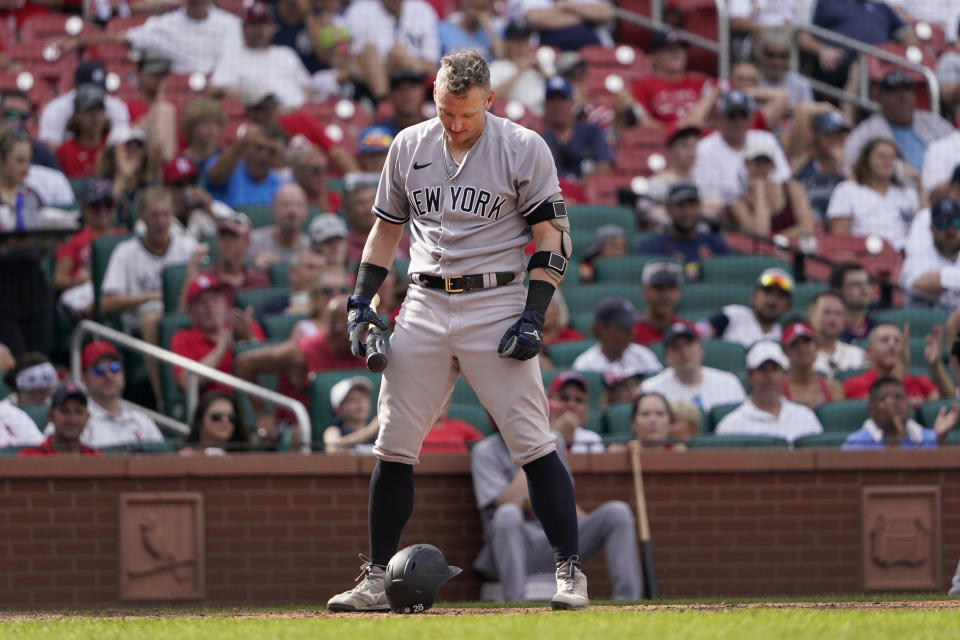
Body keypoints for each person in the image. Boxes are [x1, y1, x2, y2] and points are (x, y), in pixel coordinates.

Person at [327, 51, 590, 612]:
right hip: (422, 300)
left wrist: (533, 313)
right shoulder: (409, 144)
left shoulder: (523, 147)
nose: (454, 123)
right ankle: (375, 578)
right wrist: (360, 301)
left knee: (533, 442)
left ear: (489, 101)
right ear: (435, 96)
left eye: (466, 113)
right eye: (446, 110)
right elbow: (383, 234)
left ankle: (569, 571)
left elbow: (552, 238)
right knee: (393, 443)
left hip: (495, 298)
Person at [470, 431, 639, 603]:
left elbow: (562, 499)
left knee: (617, 512)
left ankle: (627, 601)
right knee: (508, 513)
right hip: (513, 547)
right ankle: (515, 604)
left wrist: (588, 528)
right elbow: (506, 502)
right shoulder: (485, 450)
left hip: (557, 545)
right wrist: (533, 455)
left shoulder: (554, 440)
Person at [234, 296, 365, 420]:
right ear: (340, 329)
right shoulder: (299, 353)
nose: (366, 335)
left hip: (352, 428)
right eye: (361, 329)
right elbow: (244, 363)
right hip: (303, 431)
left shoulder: (365, 352)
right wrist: (262, 415)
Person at [56, 0, 243, 76]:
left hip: (220, 87)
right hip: (178, 88)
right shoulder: (167, 24)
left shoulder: (230, 24)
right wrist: (78, 41)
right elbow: (123, 36)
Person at [691, 90, 791, 214]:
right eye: (732, 116)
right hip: (726, 215)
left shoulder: (766, 139)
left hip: (769, 207)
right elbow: (708, 195)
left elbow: (783, 179)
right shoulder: (705, 147)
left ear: (751, 117)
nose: (738, 122)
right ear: (720, 118)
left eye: (743, 115)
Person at [170, 273, 265, 394]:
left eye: (214, 298)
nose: (210, 307)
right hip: (215, 400)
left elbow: (269, 374)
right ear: (190, 312)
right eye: (201, 302)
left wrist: (249, 339)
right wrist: (222, 347)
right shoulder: (182, 338)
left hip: (252, 396)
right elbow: (187, 383)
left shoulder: (245, 325)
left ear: (225, 302)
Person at [210, 2, 313, 110]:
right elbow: (214, 90)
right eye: (255, 24)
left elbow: (308, 89)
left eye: (265, 24)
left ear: (272, 27)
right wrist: (247, 97)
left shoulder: (286, 53)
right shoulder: (233, 56)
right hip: (261, 117)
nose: (260, 30)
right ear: (244, 27)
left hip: (297, 114)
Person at [843, 71, 953, 172]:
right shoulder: (867, 132)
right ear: (880, 98)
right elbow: (849, 164)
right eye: (893, 91)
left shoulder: (933, 122)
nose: (902, 96)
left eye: (907, 90)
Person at [715, 341, 823, 444]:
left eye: (775, 369)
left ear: (784, 375)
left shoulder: (805, 417)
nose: (769, 377)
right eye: (762, 370)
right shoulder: (731, 425)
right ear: (750, 377)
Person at [826, 137, 919, 251]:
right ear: (867, 160)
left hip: (905, 256)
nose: (888, 162)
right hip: (865, 255)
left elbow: (926, 228)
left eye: (892, 158)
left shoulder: (909, 193)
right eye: (881, 157)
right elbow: (839, 237)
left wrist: (920, 185)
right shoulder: (847, 190)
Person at [72, 341, 163, 449]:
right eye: (99, 370)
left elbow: (164, 460)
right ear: (84, 378)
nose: (108, 375)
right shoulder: (73, 421)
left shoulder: (142, 420)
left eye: (114, 367)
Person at [54, 179, 125, 317]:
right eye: (96, 206)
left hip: (118, 291)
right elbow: (58, 279)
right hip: (86, 292)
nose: (103, 210)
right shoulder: (74, 239)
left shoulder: (123, 236)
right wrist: (79, 281)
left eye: (108, 205)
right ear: (85, 208)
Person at [343, 0, 440, 100]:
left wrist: (400, 58)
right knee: (370, 52)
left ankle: (384, 103)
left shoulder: (421, 9)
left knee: (397, 53)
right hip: (368, 81)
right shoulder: (359, 10)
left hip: (412, 75)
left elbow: (431, 64)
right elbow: (352, 63)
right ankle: (383, 101)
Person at [634, 182, 731, 282]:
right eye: (680, 206)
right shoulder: (652, 247)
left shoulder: (715, 244)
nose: (687, 212)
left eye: (692, 205)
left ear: (699, 207)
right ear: (668, 208)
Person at [642, 322, 746, 414]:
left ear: (701, 348)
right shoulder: (651, 389)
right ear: (666, 357)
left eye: (689, 344)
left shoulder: (729, 382)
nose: (684, 351)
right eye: (676, 347)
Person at [842, 323, 953, 404]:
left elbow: (949, 402)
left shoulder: (919, 381)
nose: (892, 344)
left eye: (897, 340)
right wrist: (901, 365)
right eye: (884, 340)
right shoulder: (853, 385)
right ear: (868, 353)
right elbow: (881, 406)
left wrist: (936, 366)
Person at [730, 137, 815, 240]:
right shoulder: (738, 203)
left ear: (773, 165)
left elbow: (807, 227)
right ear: (747, 163)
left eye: (766, 162)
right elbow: (760, 233)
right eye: (757, 162)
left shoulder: (792, 189)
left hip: (791, 250)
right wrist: (760, 193)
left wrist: (778, 239)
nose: (761, 167)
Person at [843, 376, 959, 450]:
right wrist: (894, 439)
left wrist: (941, 440)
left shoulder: (928, 437)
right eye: (884, 398)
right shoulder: (856, 442)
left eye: (898, 397)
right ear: (871, 410)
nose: (892, 403)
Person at [37, 60, 131, 150]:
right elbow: (49, 149)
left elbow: (122, 147)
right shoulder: (56, 108)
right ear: (75, 85)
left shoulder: (117, 107)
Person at [539, 76, 614, 180]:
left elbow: (605, 164)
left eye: (563, 100)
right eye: (553, 100)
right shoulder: (539, 139)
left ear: (572, 103)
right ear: (545, 106)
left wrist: (581, 185)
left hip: (585, 192)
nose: (558, 105)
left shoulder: (591, 131)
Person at [698, 267, 793, 348]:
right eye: (768, 292)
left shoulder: (786, 337)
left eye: (781, 295)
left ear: (787, 306)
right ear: (753, 297)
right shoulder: (732, 316)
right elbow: (698, 334)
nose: (772, 300)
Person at [204, 122, 290, 209]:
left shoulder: (278, 185)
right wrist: (241, 144)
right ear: (246, 147)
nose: (263, 156)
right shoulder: (229, 167)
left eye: (272, 152)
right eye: (258, 147)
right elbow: (214, 176)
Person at [572, 298, 662, 380]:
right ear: (602, 329)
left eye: (631, 327)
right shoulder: (585, 366)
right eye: (623, 328)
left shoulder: (644, 355)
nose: (631, 333)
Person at [195, 213, 270, 309]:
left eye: (233, 237)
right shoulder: (205, 280)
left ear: (247, 242)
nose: (227, 242)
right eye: (223, 237)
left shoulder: (259, 280)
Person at [901, 197, 960, 310]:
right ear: (932, 229)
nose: (950, 230)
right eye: (943, 224)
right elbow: (916, 284)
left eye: (956, 223)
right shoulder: (920, 252)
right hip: (927, 323)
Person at [792, 110, 850, 223]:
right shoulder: (803, 159)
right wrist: (827, 107)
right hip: (806, 228)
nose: (835, 141)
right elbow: (803, 110)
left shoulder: (847, 168)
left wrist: (844, 164)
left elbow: (860, 196)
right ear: (815, 135)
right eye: (829, 135)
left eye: (839, 135)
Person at [639, 124, 701, 228]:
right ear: (671, 149)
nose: (691, 151)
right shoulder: (657, 182)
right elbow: (645, 209)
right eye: (684, 145)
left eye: (694, 145)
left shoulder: (702, 180)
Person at [19, 382, 102, 457]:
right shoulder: (30, 457)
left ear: (87, 417)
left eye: (78, 412)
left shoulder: (96, 458)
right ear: (50, 416)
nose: (72, 419)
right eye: (65, 411)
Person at [245, 184, 311, 270]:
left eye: (299, 205)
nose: (292, 211)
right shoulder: (252, 242)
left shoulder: (311, 247)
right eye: (286, 205)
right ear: (274, 210)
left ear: (307, 212)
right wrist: (254, 267)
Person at [489, 22, 547, 116]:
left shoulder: (538, 66)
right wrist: (519, 72)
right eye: (519, 40)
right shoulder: (498, 67)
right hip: (513, 121)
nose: (524, 44)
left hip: (540, 122)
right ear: (509, 43)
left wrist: (543, 74)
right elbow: (489, 98)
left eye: (526, 39)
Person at [507, 0, 613, 51]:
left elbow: (606, 13)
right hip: (547, 50)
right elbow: (535, 20)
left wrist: (569, 5)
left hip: (594, 48)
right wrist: (586, 17)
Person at [781, 322, 843, 409]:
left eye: (806, 341)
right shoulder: (778, 390)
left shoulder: (832, 388)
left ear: (817, 347)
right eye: (795, 344)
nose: (801, 348)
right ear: (785, 352)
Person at [631, 261, 694, 346]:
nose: (665, 294)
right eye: (658, 287)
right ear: (644, 291)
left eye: (671, 287)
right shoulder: (630, 333)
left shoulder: (689, 331)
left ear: (679, 292)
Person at [808, 291, 867, 378]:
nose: (832, 319)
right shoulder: (798, 355)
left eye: (838, 313)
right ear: (810, 317)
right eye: (826, 312)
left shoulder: (858, 354)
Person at [256, 247, 327, 319]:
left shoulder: (332, 303)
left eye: (321, 268)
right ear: (292, 273)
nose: (317, 274)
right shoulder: (273, 307)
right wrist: (288, 313)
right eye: (310, 267)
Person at [56, 84, 109, 180]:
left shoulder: (113, 144)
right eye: (89, 110)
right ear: (77, 114)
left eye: (100, 109)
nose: (96, 116)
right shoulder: (65, 151)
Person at [753, 26, 813, 107]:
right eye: (770, 55)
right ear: (760, 54)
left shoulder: (800, 84)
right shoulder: (751, 81)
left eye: (782, 56)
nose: (776, 62)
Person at [547, 371, 604, 454]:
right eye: (564, 398)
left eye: (578, 400)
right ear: (549, 402)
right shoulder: (539, 436)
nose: (571, 404)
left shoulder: (591, 440)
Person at [181, 390, 250, 455]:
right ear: (200, 420)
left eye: (231, 417)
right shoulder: (186, 456)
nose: (225, 421)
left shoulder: (245, 457)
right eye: (217, 416)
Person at [291, 267, 352, 340]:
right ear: (315, 298)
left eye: (343, 290)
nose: (337, 295)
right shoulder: (303, 328)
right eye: (328, 291)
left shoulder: (357, 326)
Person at [323, 376, 377, 454]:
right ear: (338, 409)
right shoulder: (333, 430)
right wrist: (370, 430)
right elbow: (333, 450)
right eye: (352, 399)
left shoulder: (379, 433)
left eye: (364, 398)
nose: (360, 403)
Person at [438, 0, 504, 60]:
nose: (474, 12)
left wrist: (488, 27)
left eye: (480, 7)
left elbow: (502, 58)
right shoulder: (443, 29)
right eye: (471, 6)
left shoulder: (496, 30)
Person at [829, 263, 878, 343]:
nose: (865, 290)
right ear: (837, 291)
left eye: (868, 283)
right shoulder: (829, 332)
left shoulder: (878, 328)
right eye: (856, 284)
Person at [376, 69, 430, 137]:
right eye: (400, 88)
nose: (406, 93)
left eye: (412, 87)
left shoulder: (434, 130)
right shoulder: (379, 133)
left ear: (422, 92)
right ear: (391, 95)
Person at [289, 144, 341, 213]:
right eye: (316, 171)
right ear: (298, 173)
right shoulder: (291, 206)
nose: (322, 176)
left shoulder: (336, 201)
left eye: (326, 169)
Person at [179, 98, 227, 173]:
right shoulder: (177, 163)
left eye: (216, 123)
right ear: (191, 127)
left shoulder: (226, 160)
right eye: (205, 123)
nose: (212, 128)